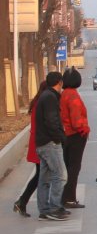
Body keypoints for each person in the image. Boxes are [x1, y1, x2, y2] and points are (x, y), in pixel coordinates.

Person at [35, 71, 70, 221]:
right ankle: (55, 208)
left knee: (45, 179)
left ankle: (44, 209)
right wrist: (60, 137)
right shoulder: (50, 97)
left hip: (42, 142)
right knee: (61, 176)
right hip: (50, 143)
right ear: (60, 82)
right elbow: (51, 121)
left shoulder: (45, 96)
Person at [12, 82, 46, 217]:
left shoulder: (38, 101)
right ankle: (22, 201)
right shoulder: (42, 103)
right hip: (40, 143)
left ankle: (22, 201)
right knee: (40, 176)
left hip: (37, 142)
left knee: (39, 175)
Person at [59, 67, 89, 209]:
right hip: (76, 135)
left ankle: (66, 196)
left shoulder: (64, 93)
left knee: (70, 166)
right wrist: (83, 130)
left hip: (67, 135)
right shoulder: (72, 95)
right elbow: (76, 118)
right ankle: (69, 197)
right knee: (74, 168)